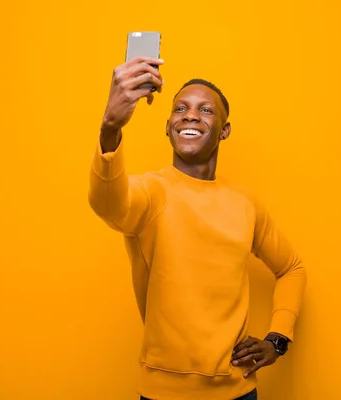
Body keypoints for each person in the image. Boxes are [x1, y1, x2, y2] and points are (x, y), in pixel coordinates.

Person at [88, 56, 307, 400]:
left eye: (205, 110)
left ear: (224, 130)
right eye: (180, 108)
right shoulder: (149, 192)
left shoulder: (246, 203)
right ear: (168, 125)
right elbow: (108, 205)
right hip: (163, 394)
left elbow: (291, 268)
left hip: (239, 392)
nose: (190, 115)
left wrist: (277, 339)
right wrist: (110, 129)